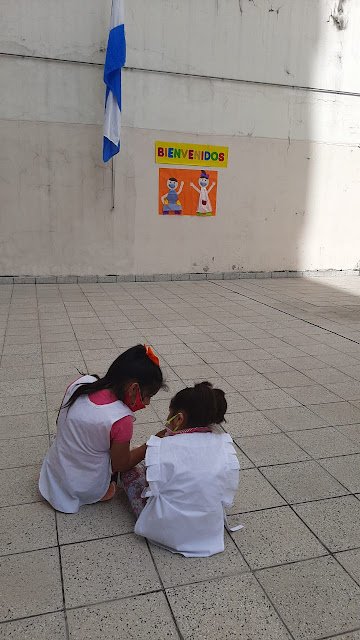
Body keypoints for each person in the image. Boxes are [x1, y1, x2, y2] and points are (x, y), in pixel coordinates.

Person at [38, 344, 165, 514]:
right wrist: (151, 445)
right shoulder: (120, 419)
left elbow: (60, 424)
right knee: (122, 464)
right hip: (83, 485)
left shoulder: (82, 383)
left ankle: (55, 480)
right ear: (134, 388)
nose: (147, 403)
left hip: (55, 468)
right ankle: (101, 490)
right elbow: (121, 464)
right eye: (148, 396)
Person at [121, 382, 242, 557]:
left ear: (178, 419)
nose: (167, 417)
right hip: (207, 530)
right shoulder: (222, 445)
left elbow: (151, 486)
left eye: (170, 412)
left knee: (130, 469)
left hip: (166, 530)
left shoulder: (163, 446)